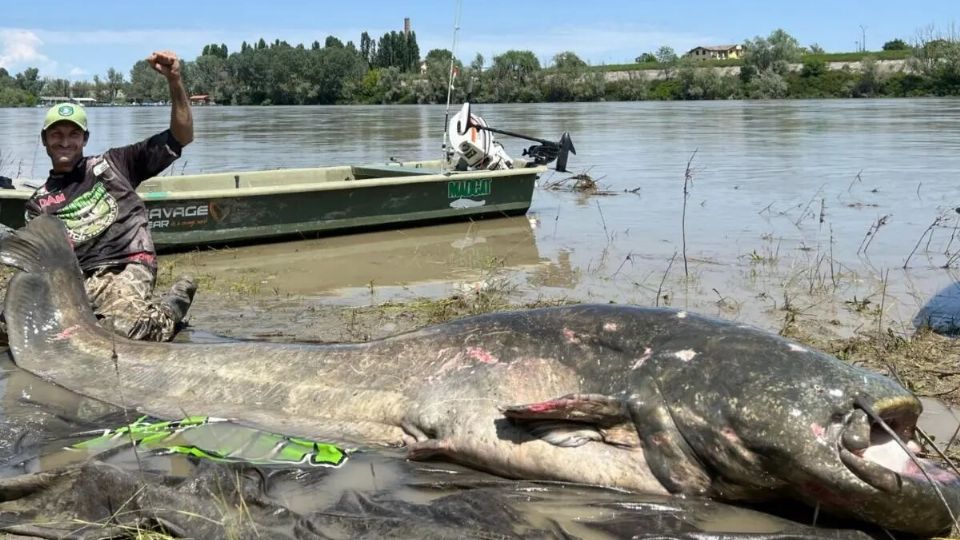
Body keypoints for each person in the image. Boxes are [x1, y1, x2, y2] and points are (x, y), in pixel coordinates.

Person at [24, 50, 196, 342]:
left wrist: (175, 81)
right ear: (45, 140)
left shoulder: (115, 164)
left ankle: (172, 306)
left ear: (85, 139)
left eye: (73, 134)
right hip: (78, 281)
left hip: (127, 264)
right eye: (56, 134)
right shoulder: (38, 204)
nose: (65, 141)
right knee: (18, 330)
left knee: (124, 332)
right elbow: (44, 265)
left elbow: (182, 136)